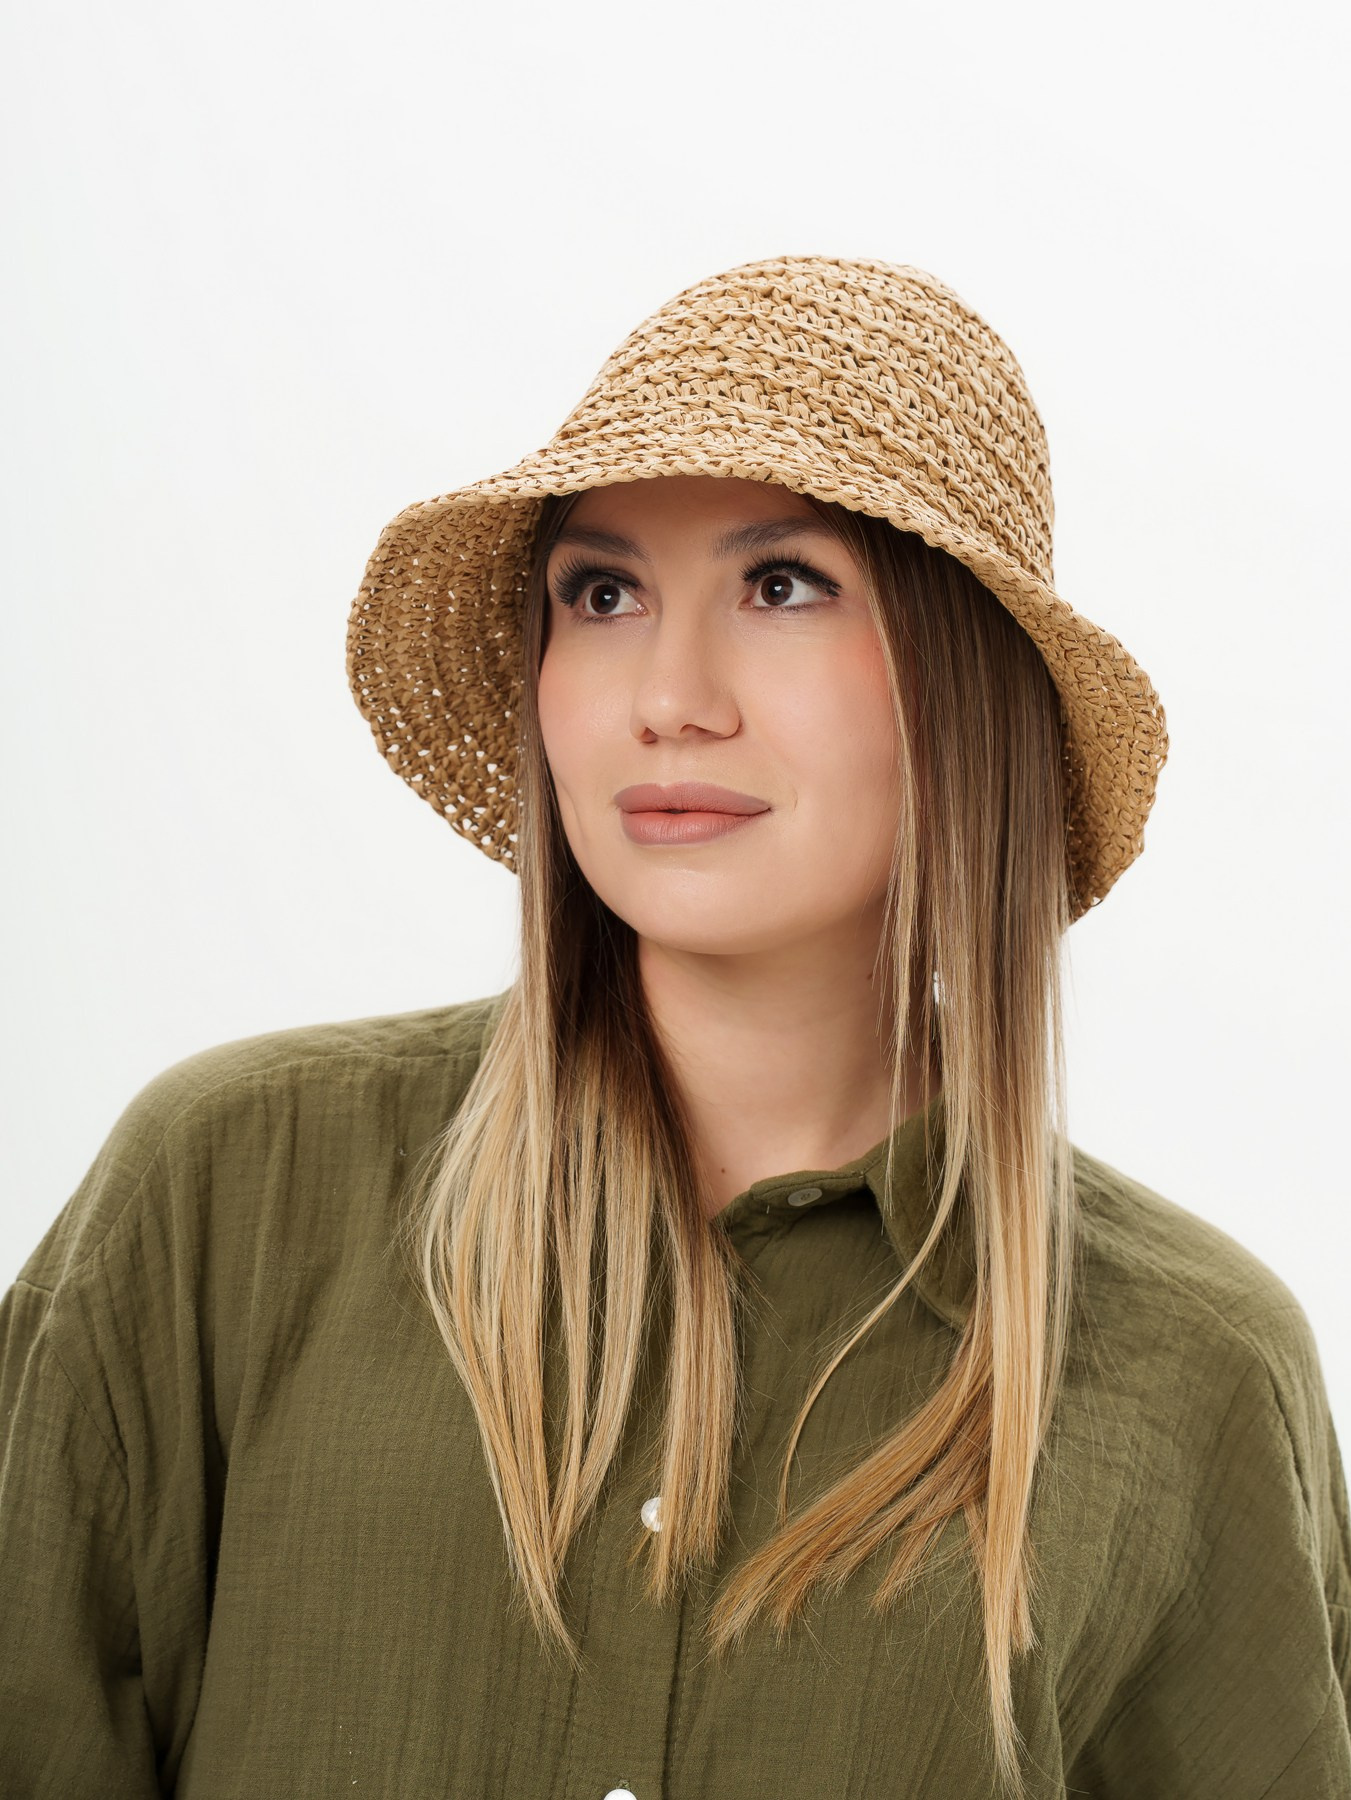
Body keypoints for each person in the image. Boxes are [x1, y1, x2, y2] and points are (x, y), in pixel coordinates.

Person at [2, 255, 1348, 1800]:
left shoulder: (1189, 1371)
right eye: (603, 593)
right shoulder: (230, 1198)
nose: (669, 696)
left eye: (782, 586)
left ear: (965, 682)